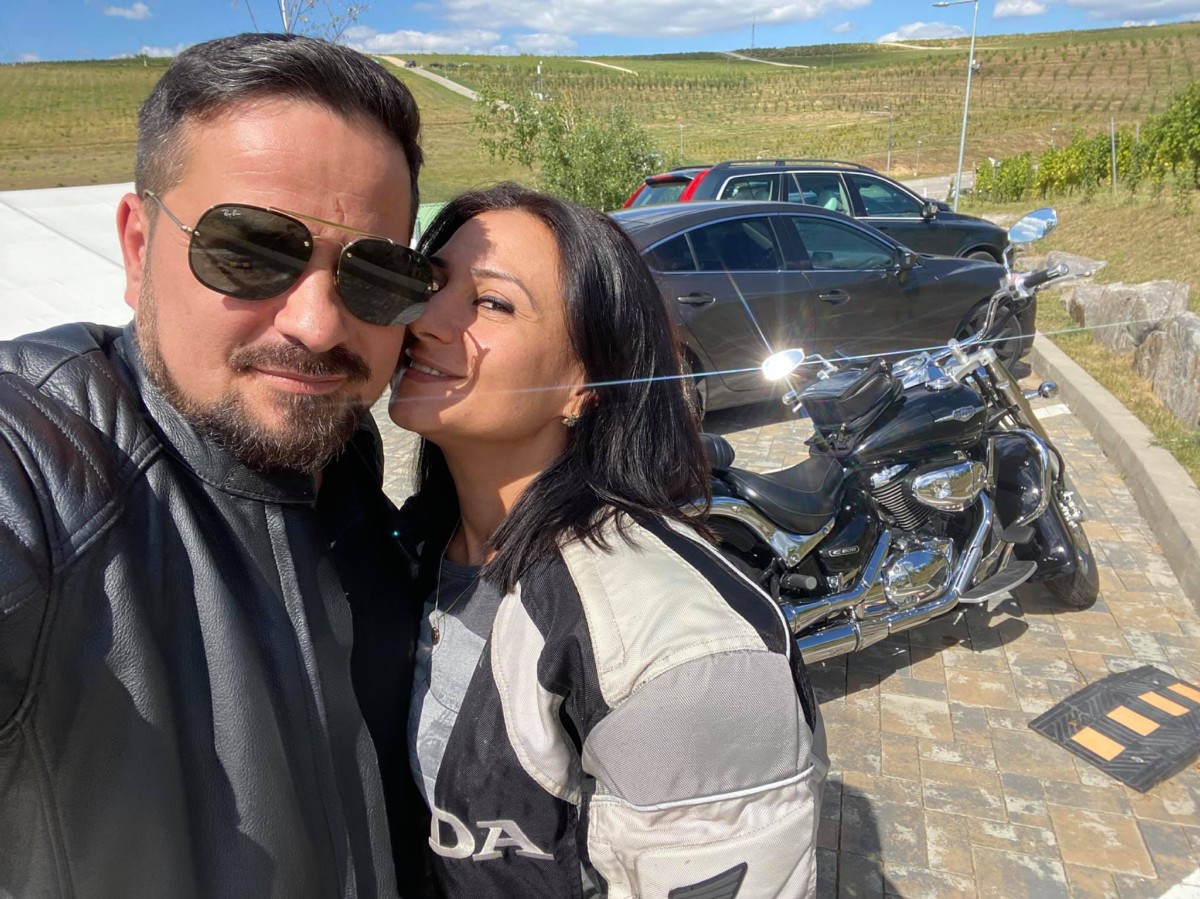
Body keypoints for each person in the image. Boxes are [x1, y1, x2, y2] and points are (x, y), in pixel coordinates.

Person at [0, 34, 433, 897]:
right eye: (252, 250)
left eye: (376, 272)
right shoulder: (42, 463)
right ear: (137, 247)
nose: (318, 323)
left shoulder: (350, 480)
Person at [389, 184, 828, 898]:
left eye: (492, 303)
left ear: (585, 382)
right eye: (430, 284)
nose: (426, 319)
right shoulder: (408, 545)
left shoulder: (678, 656)